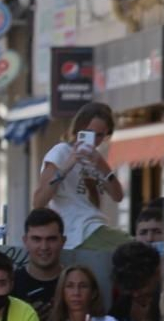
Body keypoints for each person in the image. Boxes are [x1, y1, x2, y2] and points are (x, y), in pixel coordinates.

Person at [33, 101, 131, 250]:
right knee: (136, 249)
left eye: (100, 135)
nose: (95, 140)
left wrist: (103, 167)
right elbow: (39, 201)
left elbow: (118, 196)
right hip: (76, 230)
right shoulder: (61, 152)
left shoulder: (95, 159)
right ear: (79, 128)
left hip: (93, 228)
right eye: (90, 133)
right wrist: (68, 165)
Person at [14, 209, 66, 320]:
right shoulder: (10, 284)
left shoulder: (76, 285)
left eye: (51, 239)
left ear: (63, 241)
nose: (44, 247)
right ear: (25, 241)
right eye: (36, 239)